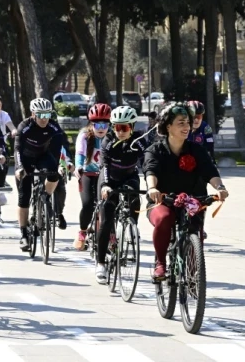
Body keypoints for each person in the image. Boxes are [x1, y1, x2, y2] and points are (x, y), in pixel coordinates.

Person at [145, 103, 229, 279]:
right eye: (180, 123)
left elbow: (210, 171)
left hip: (192, 201)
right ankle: (160, 263)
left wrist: (220, 187)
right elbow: (150, 170)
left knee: (194, 230)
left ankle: (192, 275)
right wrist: (152, 188)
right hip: (163, 201)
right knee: (165, 218)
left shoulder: (196, 150)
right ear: (168, 126)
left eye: (187, 123)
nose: (186, 127)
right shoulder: (155, 150)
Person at [96, 105, 145, 283]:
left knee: (135, 195)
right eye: (117, 127)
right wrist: (106, 186)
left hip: (129, 176)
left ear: (132, 127)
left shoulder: (138, 140)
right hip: (110, 178)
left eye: (124, 128)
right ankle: (101, 263)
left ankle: (132, 227)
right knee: (107, 220)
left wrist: (154, 184)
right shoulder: (107, 141)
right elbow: (105, 165)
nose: (120, 132)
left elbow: (147, 162)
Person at [14, 98, 63, 251]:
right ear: (33, 114)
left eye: (47, 114)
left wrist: (61, 165)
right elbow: (16, 150)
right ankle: (23, 234)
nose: (43, 118)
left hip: (43, 156)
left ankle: (46, 196)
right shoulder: (25, 126)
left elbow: (60, 149)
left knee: (55, 174)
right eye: (40, 114)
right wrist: (20, 167)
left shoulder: (54, 127)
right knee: (24, 197)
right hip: (25, 158)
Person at [73, 103, 111, 250]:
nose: (101, 129)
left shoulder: (112, 136)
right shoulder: (84, 135)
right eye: (97, 125)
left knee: (109, 205)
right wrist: (79, 166)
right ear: (91, 124)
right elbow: (80, 153)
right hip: (88, 173)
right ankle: (82, 232)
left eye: (104, 124)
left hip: (105, 175)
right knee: (88, 204)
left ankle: (111, 234)